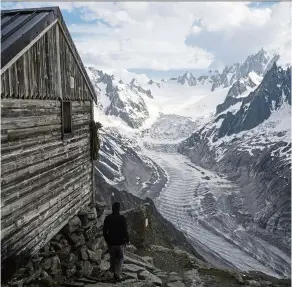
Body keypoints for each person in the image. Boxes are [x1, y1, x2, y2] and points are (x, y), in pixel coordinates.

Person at [103, 202, 129, 282]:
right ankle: (118, 274)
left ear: (112, 208)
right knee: (120, 258)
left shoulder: (107, 218)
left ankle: (112, 274)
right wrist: (127, 240)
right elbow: (125, 231)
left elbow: (104, 231)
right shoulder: (122, 218)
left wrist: (107, 240)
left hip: (111, 243)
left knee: (112, 258)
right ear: (119, 209)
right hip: (120, 243)